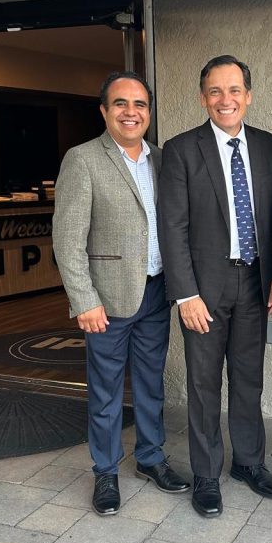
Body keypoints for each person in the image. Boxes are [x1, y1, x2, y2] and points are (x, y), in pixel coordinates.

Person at [53, 71, 189, 516]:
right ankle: (106, 471)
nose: (131, 112)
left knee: (151, 384)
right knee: (106, 391)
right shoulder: (83, 159)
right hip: (107, 300)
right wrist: (84, 299)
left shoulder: (163, 159)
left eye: (140, 104)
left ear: (149, 112)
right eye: (121, 104)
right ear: (104, 111)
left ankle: (150, 458)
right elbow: (67, 239)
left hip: (156, 291)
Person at [158, 55, 272, 518]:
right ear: (203, 98)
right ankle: (207, 474)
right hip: (203, 291)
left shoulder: (269, 146)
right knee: (204, 384)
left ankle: (248, 463)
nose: (225, 99)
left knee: (249, 379)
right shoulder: (181, 149)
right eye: (215, 91)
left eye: (234, 90)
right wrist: (185, 294)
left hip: (255, 281)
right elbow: (172, 226)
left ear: (248, 96)